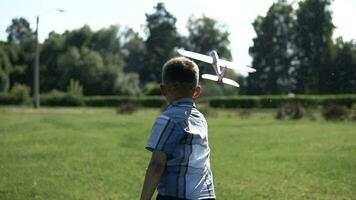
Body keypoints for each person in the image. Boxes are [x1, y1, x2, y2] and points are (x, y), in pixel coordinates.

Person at [140, 57, 215, 200]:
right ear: (197, 91)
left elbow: (157, 164)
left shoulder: (166, 119)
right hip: (206, 195)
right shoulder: (201, 119)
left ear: (163, 89)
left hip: (174, 196)